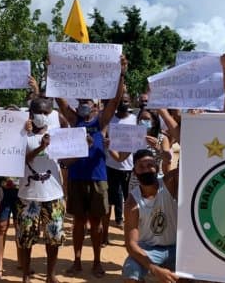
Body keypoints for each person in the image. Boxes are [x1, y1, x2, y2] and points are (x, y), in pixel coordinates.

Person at [55, 55, 128, 278]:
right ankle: (76, 261)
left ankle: (96, 261)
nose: (84, 104)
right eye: (81, 101)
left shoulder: (101, 122)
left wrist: (121, 73)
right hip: (77, 177)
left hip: (98, 178)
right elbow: (60, 100)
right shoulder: (74, 120)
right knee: (78, 222)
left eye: (88, 101)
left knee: (96, 223)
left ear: (95, 104)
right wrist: (52, 72)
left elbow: (115, 102)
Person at [17, 97, 65, 283]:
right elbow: (21, 160)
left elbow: (67, 162)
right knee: (26, 238)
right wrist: (41, 147)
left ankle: (50, 275)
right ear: (31, 113)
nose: (43, 116)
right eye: (39, 112)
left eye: (47, 113)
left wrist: (84, 147)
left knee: (54, 237)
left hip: (53, 196)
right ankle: (26, 275)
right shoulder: (21, 136)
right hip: (28, 197)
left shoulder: (58, 136)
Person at [123, 149, 179, 283]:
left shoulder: (168, 183)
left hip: (177, 247)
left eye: (150, 165)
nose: (146, 170)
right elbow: (131, 244)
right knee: (131, 272)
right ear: (134, 173)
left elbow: (190, 167)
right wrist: (154, 269)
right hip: (149, 249)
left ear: (157, 167)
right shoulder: (132, 203)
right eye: (141, 167)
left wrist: (168, 159)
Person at [0, 104, 23, 279]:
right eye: (8, 116)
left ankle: (21, 261)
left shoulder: (25, 137)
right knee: (1, 227)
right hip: (3, 190)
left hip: (22, 190)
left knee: (20, 226)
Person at [103, 92, 137, 246]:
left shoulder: (134, 120)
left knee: (129, 201)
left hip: (129, 167)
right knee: (111, 199)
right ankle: (105, 235)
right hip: (111, 165)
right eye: (121, 101)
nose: (124, 103)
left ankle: (128, 237)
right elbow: (104, 136)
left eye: (126, 101)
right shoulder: (110, 119)